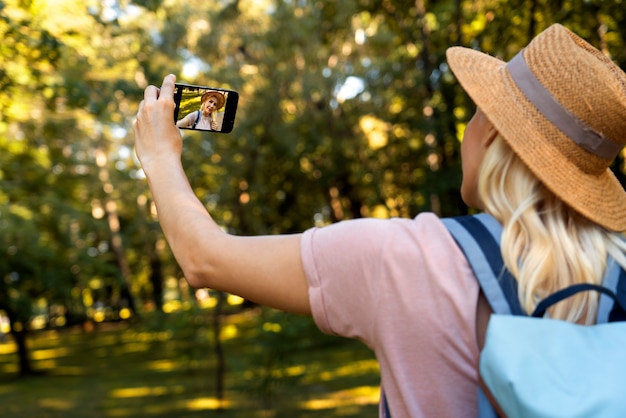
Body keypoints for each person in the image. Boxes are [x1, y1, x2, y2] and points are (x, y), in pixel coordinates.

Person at [133, 23, 626, 417]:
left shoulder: (403, 259)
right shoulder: (618, 270)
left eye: (478, 110)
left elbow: (205, 260)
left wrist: (160, 157)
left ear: (492, 134)